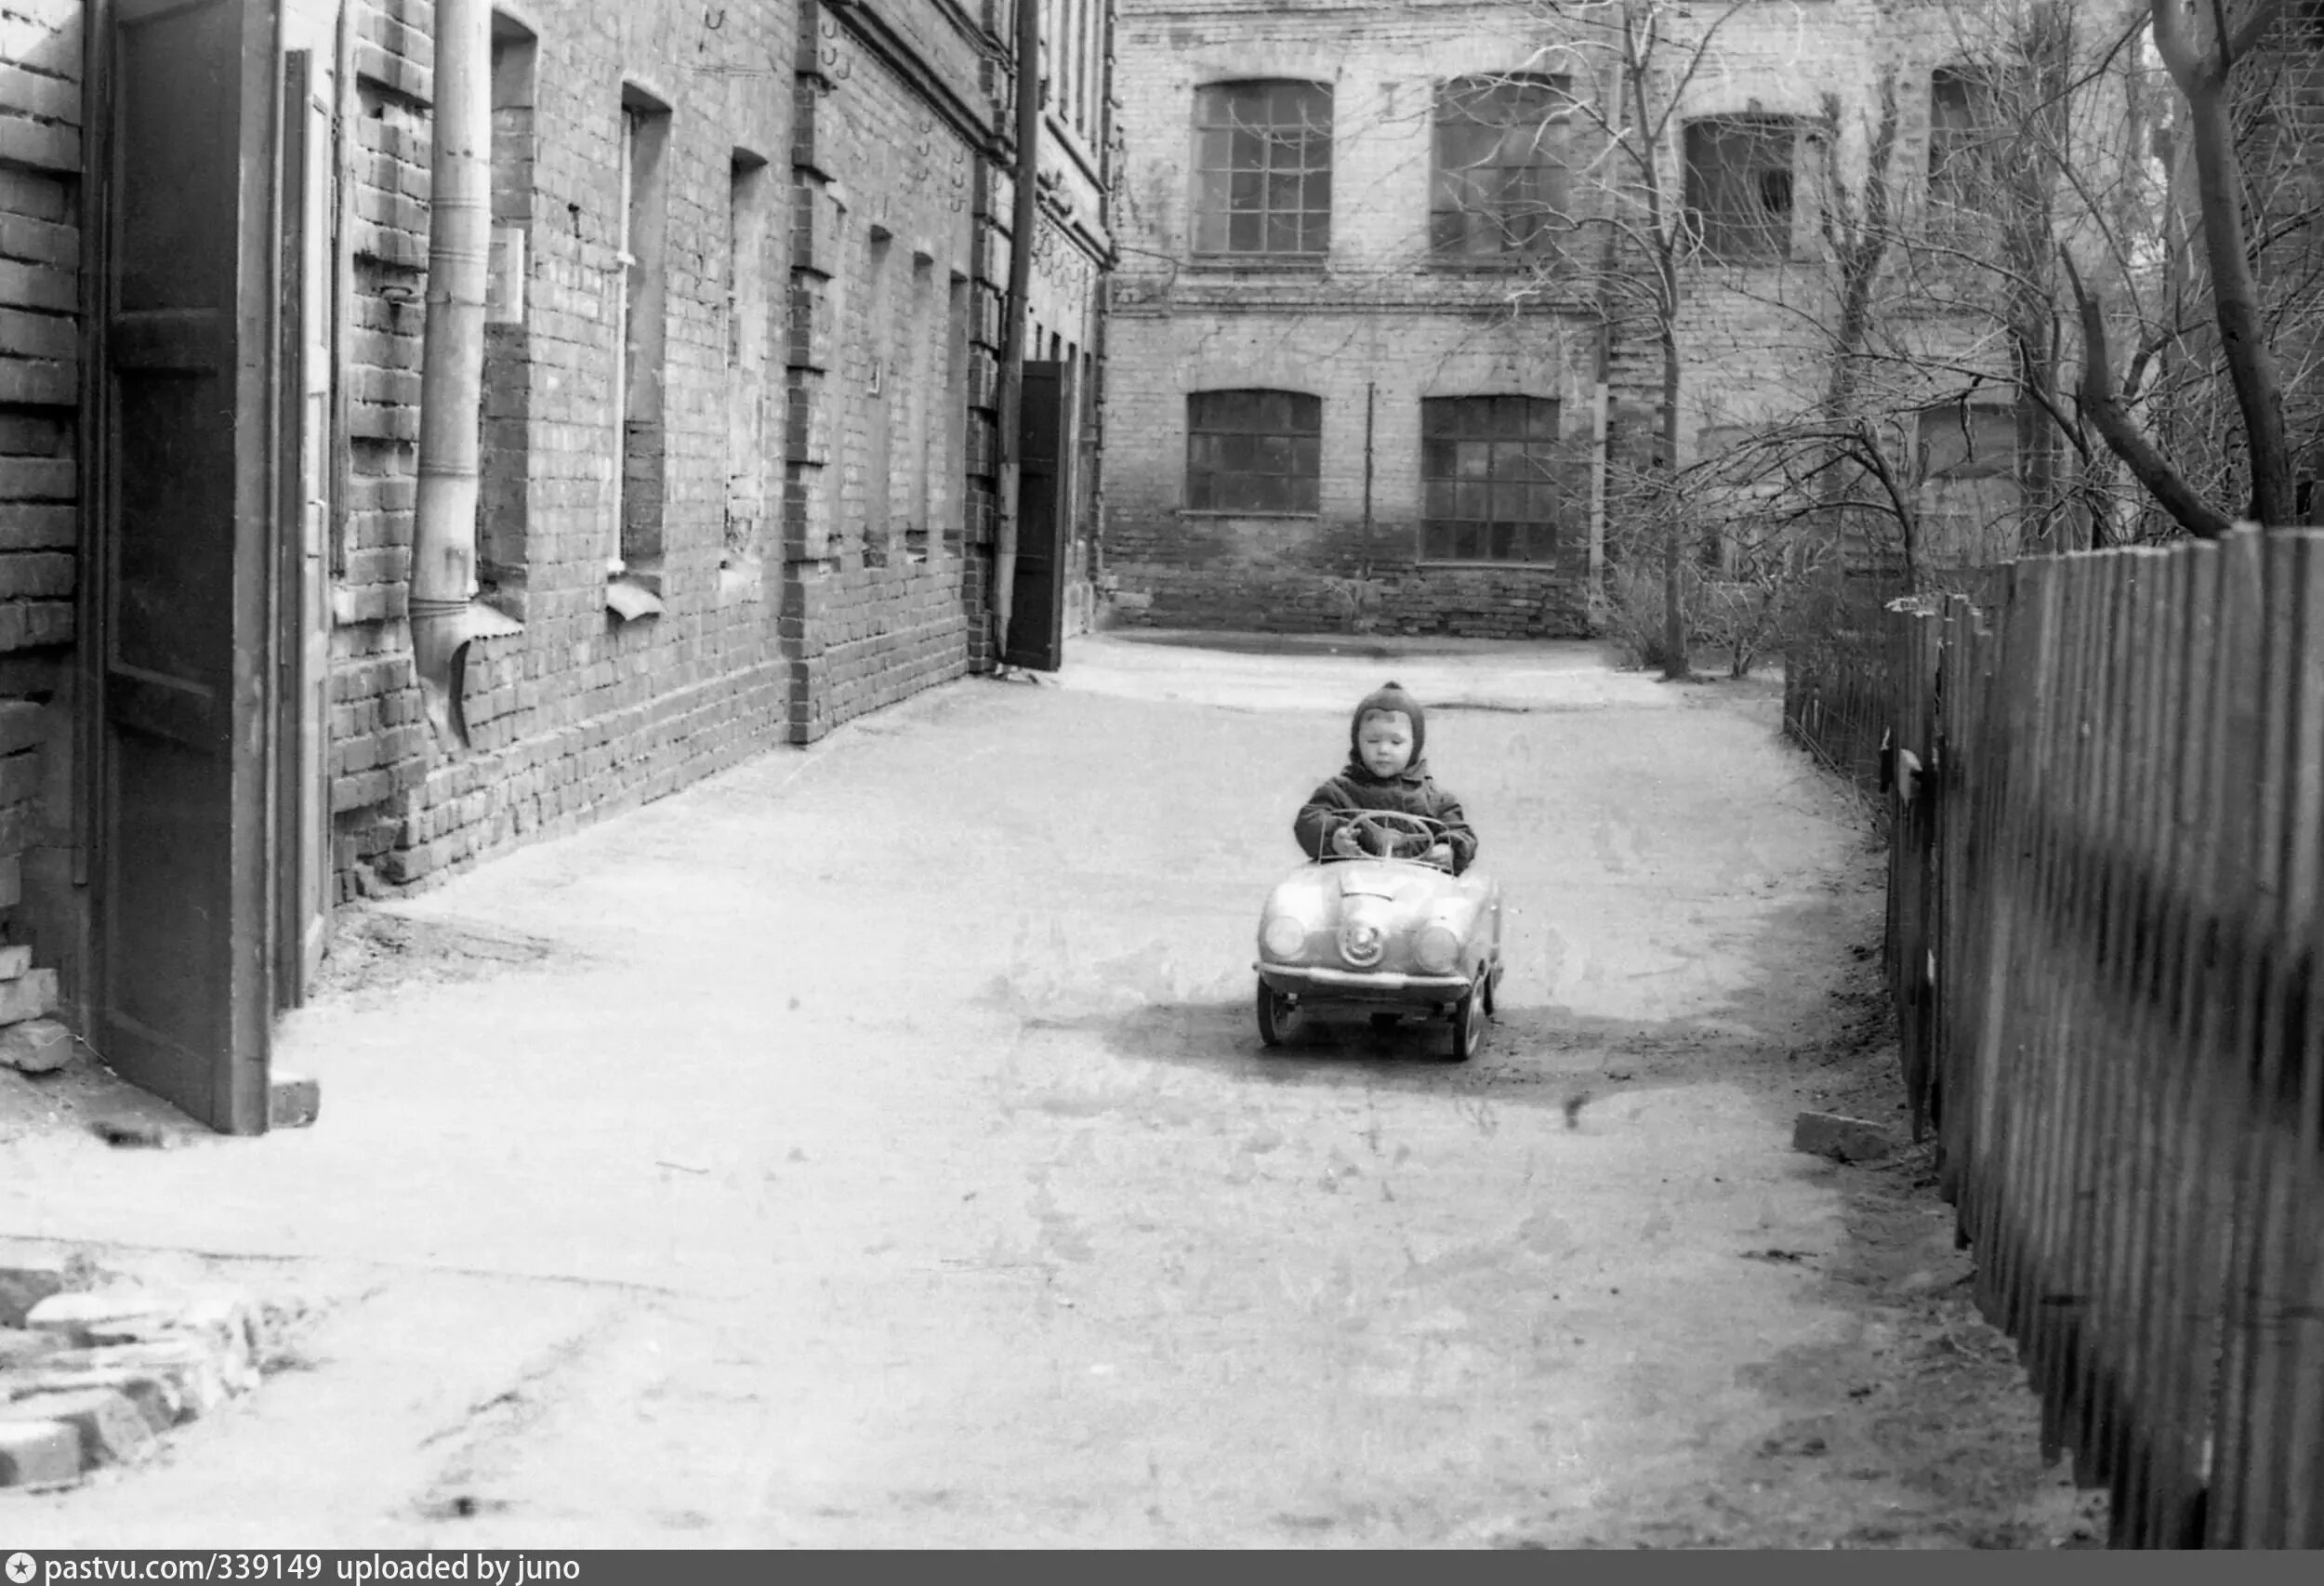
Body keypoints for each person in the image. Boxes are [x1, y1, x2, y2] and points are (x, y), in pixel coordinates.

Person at [1293, 680, 1478, 873]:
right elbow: (1309, 821)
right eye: (1372, 741)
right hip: (1352, 885)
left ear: (1415, 745)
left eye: (1396, 742)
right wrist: (1335, 837)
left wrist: (1448, 849)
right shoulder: (1339, 790)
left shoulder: (1436, 800)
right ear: (1357, 742)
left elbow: (1461, 833)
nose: (1383, 750)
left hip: (1415, 890)